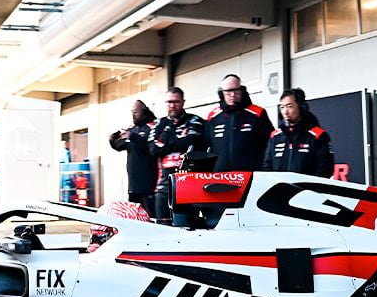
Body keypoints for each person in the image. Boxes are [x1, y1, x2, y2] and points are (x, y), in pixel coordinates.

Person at [148, 86, 210, 224]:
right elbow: (153, 149)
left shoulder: (195, 120)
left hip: (189, 184)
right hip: (163, 187)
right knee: (162, 228)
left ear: (183, 102)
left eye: (176, 102)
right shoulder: (158, 124)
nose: (172, 105)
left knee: (187, 229)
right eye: (169, 102)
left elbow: (191, 140)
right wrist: (179, 140)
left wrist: (165, 142)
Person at [205, 74, 274, 171]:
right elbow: (207, 147)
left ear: (242, 91)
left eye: (236, 91)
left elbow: (270, 145)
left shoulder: (258, 113)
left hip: (251, 175)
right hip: (220, 176)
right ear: (222, 93)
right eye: (228, 91)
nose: (233, 95)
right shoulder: (213, 117)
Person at [263, 88, 334, 175]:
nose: (285, 112)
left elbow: (325, 170)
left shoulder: (318, 135)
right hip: (280, 188)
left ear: (301, 107)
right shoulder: (275, 136)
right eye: (282, 107)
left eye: (290, 106)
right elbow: (267, 167)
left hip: (305, 188)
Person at [108, 99, 158, 216]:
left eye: (136, 112)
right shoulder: (132, 129)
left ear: (144, 111)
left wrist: (133, 136)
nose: (133, 115)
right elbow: (120, 146)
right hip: (133, 185)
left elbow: (151, 148)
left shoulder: (152, 127)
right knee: (134, 216)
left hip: (148, 185)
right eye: (132, 112)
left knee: (151, 217)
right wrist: (112, 140)